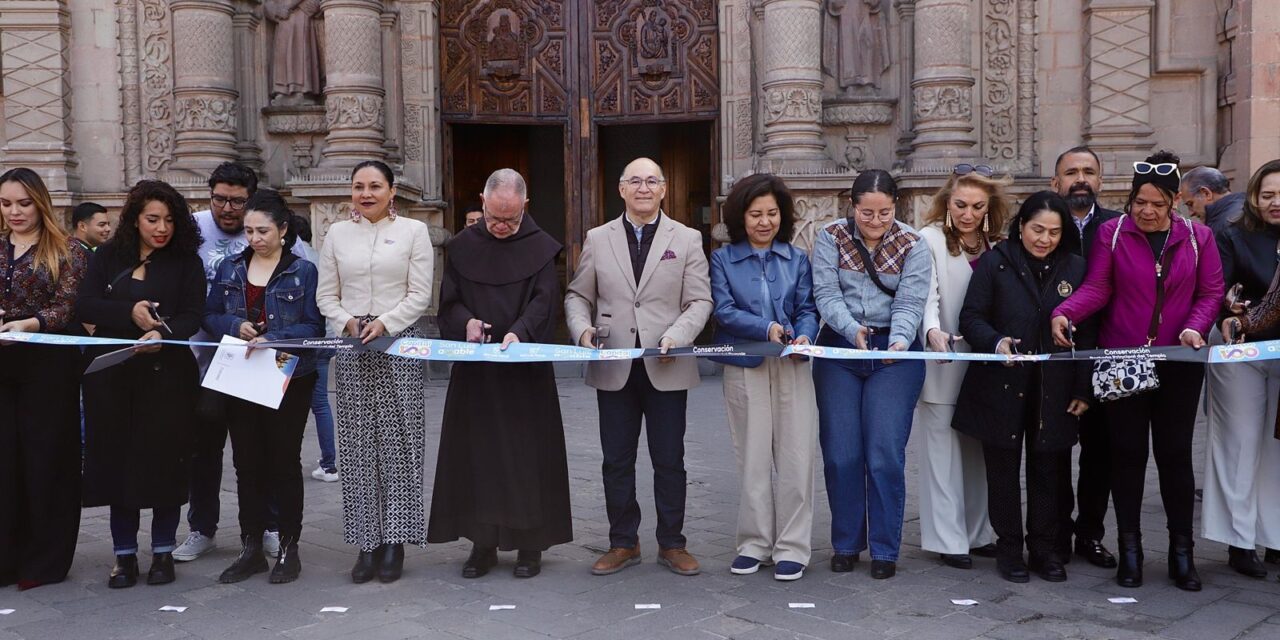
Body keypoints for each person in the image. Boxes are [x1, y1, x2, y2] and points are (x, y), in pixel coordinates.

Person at [1052, 150, 1224, 590]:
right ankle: (1131, 550)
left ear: (1174, 203)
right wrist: (1066, 312)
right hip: (1122, 359)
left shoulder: (1198, 237)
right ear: (1130, 200)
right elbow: (1098, 288)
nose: (1147, 211)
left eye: (1158, 204)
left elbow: (1211, 293)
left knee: (1174, 457)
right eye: (1139, 202)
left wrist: (1193, 328)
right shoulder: (1111, 234)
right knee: (1126, 456)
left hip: (1178, 361)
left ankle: (1181, 554)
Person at [564, 157, 712, 577]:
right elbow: (578, 295)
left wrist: (678, 336)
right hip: (614, 364)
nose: (643, 188)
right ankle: (622, 542)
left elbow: (699, 300)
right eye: (635, 181)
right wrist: (582, 331)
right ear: (621, 189)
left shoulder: (686, 239)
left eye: (652, 181)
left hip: (666, 362)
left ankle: (673, 543)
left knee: (670, 459)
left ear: (664, 189)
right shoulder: (598, 237)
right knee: (616, 459)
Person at [428, 169, 572, 579]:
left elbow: (545, 302)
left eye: (510, 219)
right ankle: (481, 543)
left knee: (527, 458)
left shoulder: (541, 248)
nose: (503, 227)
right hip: (477, 373)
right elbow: (449, 303)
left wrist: (519, 332)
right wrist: (468, 323)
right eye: (494, 218)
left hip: (525, 371)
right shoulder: (462, 247)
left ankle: (530, 546)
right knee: (478, 456)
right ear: (483, 201)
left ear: (525, 207)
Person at [954, 191, 1095, 583]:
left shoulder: (1076, 267)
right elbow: (971, 317)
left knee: (1049, 468)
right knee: (1002, 469)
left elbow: (1088, 332)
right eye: (1037, 229)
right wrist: (996, 342)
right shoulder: (996, 262)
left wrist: (1083, 388)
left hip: (1056, 385)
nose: (1044, 239)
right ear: (1021, 226)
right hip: (1002, 382)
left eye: (1053, 232)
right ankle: (1010, 548)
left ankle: (1046, 549)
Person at [77, 179, 207, 588]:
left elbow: (193, 313)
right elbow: (85, 303)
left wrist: (162, 334)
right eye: (153, 219)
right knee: (119, 466)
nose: (161, 228)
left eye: (169, 220)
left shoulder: (187, 260)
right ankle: (124, 556)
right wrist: (129, 314)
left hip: (167, 378)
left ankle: (163, 552)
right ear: (135, 219)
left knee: (165, 465)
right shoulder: (107, 256)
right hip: (114, 378)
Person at [175, 162, 301, 563]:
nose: (227, 209)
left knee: (261, 452)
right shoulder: (189, 229)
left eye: (237, 202)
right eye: (219, 199)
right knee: (203, 450)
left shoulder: (285, 243)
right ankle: (202, 528)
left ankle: (267, 528)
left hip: (261, 366)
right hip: (203, 360)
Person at [317, 160, 434, 584]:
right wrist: (347, 321)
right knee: (357, 445)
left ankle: (396, 542)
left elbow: (420, 292)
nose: (366, 194)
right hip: (352, 344)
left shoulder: (413, 232)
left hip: (399, 342)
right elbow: (326, 295)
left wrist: (385, 322)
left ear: (391, 190)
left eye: (375, 186)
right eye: (358, 187)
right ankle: (367, 542)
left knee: (400, 443)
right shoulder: (336, 234)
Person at [812, 169, 932, 580]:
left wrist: (898, 340)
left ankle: (885, 547)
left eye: (884, 213)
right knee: (841, 453)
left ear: (895, 207)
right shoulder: (830, 236)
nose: (876, 222)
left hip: (894, 355)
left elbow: (911, 300)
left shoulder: (914, 244)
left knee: (883, 453)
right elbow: (825, 294)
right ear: (852, 205)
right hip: (841, 349)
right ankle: (846, 543)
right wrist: (852, 330)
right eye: (867, 213)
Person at [203, 190, 325, 584]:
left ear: (284, 229)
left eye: (263, 231)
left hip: (289, 376)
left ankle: (289, 547)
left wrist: (277, 336)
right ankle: (251, 546)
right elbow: (210, 314)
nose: (254, 238)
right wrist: (232, 326)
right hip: (241, 373)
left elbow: (315, 327)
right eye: (249, 230)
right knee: (246, 464)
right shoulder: (230, 267)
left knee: (284, 461)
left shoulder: (303, 271)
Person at [709, 173, 819, 581]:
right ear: (741, 216)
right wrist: (765, 327)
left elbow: (808, 306)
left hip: (792, 364)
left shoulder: (798, 258)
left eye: (772, 213)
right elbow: (723, 309)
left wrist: (804, 332)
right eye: (755, 214)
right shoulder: (722, 259)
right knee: (752, 457)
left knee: (796, 456)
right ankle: (754, 542)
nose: (764, 222)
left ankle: (793, 546)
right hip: (745, 363)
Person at [0, 168, 90, 591]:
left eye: (23, 203)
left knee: (46, 461)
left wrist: (29, 323)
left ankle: (45, 560)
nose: (14, 212)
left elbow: (67, 307)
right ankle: (6, 558)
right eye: (6, 203)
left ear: (40, 202)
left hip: (47, 366)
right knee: (6, 462)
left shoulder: (67, 249)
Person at [915, 164, 1008, 570]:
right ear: (946, 203)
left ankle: (978, 532)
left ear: (989, 208)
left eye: (976, 206)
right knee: (942, 454)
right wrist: (933, 332)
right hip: (943, 361)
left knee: (976, 451)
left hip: (984, 364)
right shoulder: (929, 239)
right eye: (960, 205)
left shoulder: (997, 246)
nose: (967, 214)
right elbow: (925, 296)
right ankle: (948, 539)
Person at [1202, 159, 1280, 578]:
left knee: (1277, 446)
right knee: (1241, 440)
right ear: (1254, 196)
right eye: (1268, 194)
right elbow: (1216, 290)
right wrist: (1225, 318)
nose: (1276, 203)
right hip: (1241, 350)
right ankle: (1238, 540)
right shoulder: (1232, 234)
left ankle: (1276, 536)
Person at [1048, 145, 1120, 568]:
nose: (1080, 179)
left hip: (1106, 354)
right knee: (1053, 450)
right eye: (1071, 172)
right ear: (1055, 182)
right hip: (1055, 357)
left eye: (1088, 171)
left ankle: (1090, 534)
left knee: (1102, 452)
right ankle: (1055, 532)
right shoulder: (1041, 224)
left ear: (1100, 180)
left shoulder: (1118, 227)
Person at [290, 213, 339, 482]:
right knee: (320, 403)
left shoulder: (297, 261)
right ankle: (328, 462)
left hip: (303, 340)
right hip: (327, 337)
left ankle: (322, 462)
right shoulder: (320, 257)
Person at [1181, 166, 1245, 233]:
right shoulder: (1244, 209)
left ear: (1206, 193)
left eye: (1190, 204)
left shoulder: (1224, 225)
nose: (1191, 213)